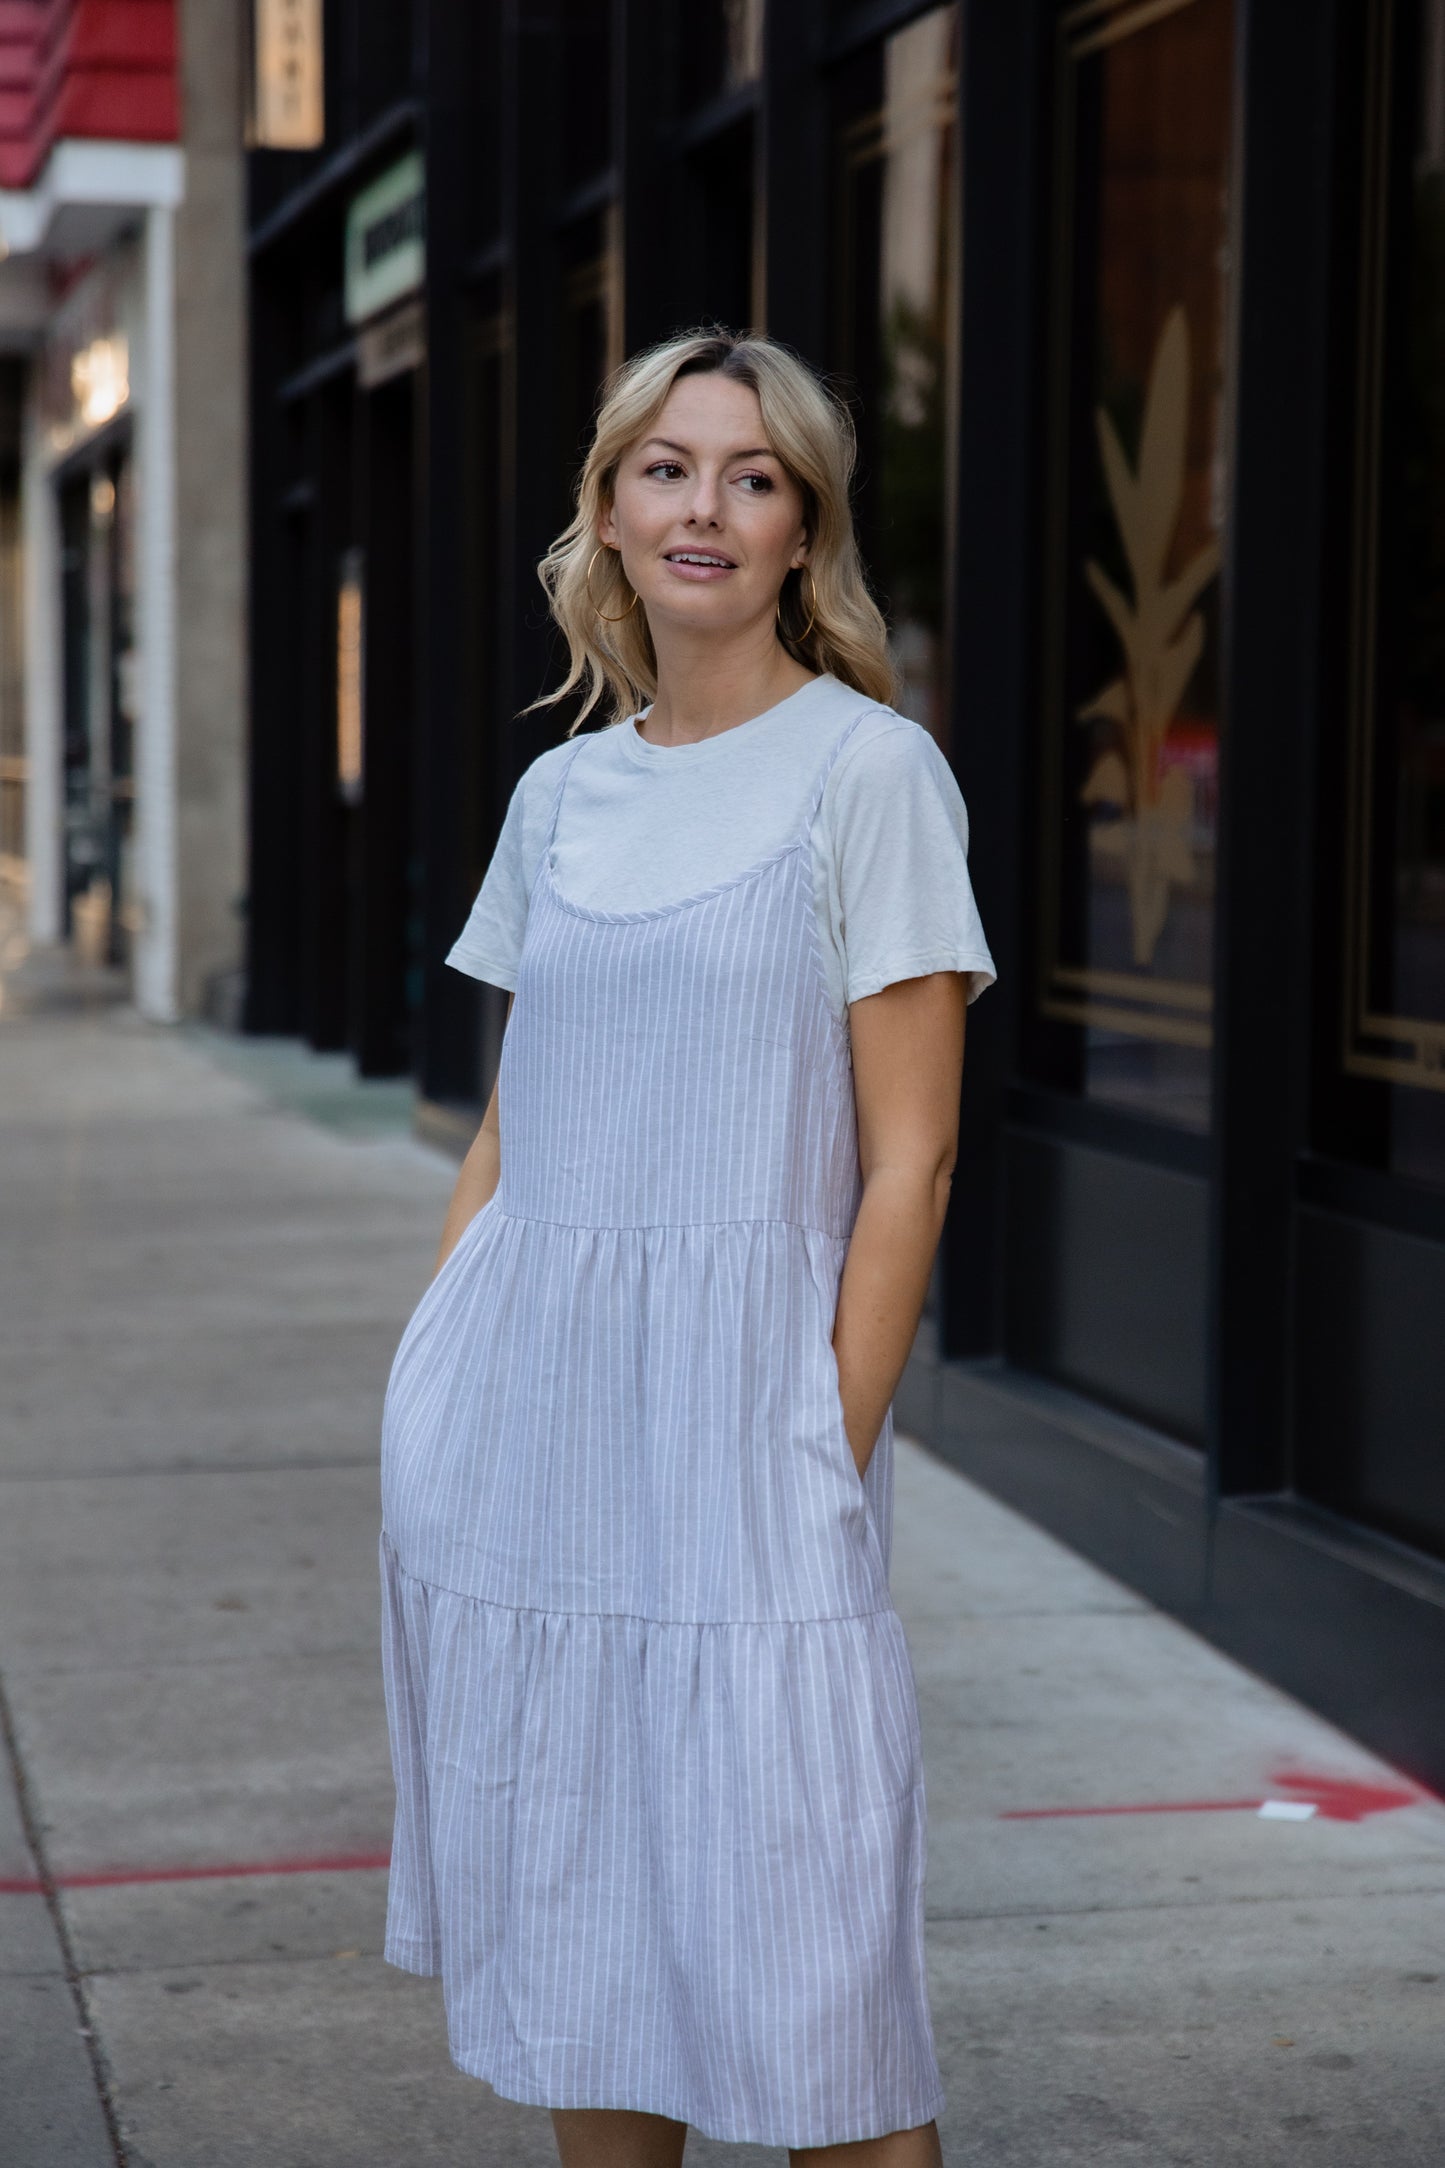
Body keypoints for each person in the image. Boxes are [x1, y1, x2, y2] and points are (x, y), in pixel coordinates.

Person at [379, 327, 996, 2168]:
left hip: (749, 1436)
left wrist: (827, 1441)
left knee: (820, 2000)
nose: (703, 506)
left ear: (803, 528)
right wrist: (438, 1380)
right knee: (586, 1935)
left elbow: (915, 1160)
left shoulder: (869, 774)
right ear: (610, 508)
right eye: (666, 467)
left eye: (750, 474)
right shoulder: (557, 796)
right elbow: (512, 1122)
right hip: (531, 1429)